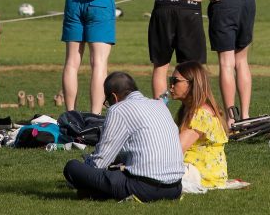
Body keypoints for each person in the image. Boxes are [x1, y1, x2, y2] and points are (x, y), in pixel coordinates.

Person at [63, 72, 183, 202]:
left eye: (107, 102)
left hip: (144, 188)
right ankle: (95, 192)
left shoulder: (118, 110)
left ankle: (93, 191)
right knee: (111, 174)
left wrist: (86, 166)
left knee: (72, 167)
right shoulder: (160, 105)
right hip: (175, 188)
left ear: (114, 97)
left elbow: (100, 162)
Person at [169, 61, 228, 189]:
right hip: (199, 172)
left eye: (175, 81)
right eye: (170, 80)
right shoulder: (189, 110)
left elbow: (175, 151)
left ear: (192, 84)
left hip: (202, 176)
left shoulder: (200, 114)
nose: (171, 86)